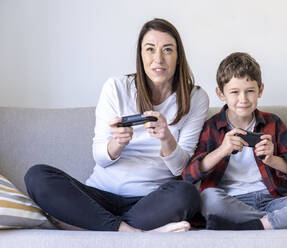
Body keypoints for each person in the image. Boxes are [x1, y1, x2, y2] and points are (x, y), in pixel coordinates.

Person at [24, 18, 209, 232]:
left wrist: (166, 137)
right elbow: (100, 158)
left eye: (167, 50)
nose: (158, 59)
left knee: (187, 194)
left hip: (149, 201)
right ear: (140, 55)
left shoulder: (195, 97)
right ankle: (128, 231)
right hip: (99, 197)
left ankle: (95, 225)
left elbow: (180, 168)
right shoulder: (116, 87)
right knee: (37, 176)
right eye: (150, 49)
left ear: (178, 56)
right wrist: (116, 144)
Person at [182, 52, 287, 230]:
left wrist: (273, 159)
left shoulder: (273, 123)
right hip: (232, 202)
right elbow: (189, 174)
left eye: (250, 91)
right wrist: (222, 150)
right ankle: (282, 222)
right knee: (208, 199)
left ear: (260, 90)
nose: (243, 99)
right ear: (221, 93)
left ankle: (258, 225)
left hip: (275, 201)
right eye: (234, 92)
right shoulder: (210, 127)